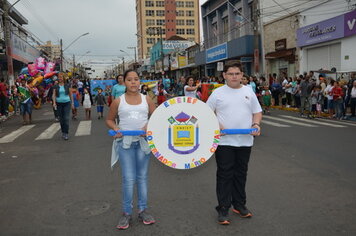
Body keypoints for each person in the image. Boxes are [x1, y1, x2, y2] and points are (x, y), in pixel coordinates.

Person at [207, 63, 262, 225]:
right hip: (224, 141)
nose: (234, 76)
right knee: (225, 174)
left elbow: (257, 112)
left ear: (242, 75)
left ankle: (239, 204)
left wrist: (256, 124)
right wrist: (216, 124)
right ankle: (223, 208)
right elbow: (205, 113)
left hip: (245, 141)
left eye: (237, 73)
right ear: (224, 75)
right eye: (230, 74)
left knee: (241, 173)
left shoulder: (248, 91)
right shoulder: (217, 93)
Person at [106, 69, 156, 230]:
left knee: (142, 177)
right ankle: (126, 213)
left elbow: (156, 116)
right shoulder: (118, 101)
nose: (133, 82)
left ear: (140, 81)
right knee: (128, 179)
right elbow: (109, 119)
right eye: (129, 79)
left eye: (136, 79)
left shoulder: (147, 99)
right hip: (125, 144)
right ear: (124, 82)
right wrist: (116, 128)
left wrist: (148, 125)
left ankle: (143, 210)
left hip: (143, 143)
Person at [52, 73, 74, 140]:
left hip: (67, 103)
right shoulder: (56, 86)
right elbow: (54, 95)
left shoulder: (68, 85)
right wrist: (54, 102)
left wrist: (72, 103)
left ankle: (66, 133)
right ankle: (63, 132)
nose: (60, 78)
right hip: (59, 104)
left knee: (66, 118)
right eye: (59, 77)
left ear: (64, 78)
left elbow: (71, 94)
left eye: (61, 77)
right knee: (61, 119)